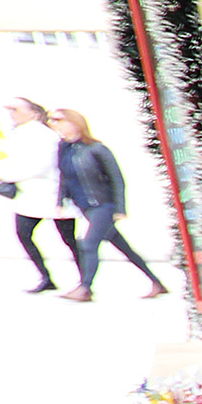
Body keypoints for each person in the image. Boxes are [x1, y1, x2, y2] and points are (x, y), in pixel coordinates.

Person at [50, 109, 170, 302]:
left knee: (88, 244)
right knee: (124, 248)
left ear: (75, 123)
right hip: (85, 206)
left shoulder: (96, 148)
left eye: (59, 121)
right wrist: (60, 200)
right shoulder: (64, 148)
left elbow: (117, 179)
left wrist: (121, 208)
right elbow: (64, 177)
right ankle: (157, 283)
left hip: (103, 205)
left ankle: (85, 289)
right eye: (53, 122)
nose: (56, 125)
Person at [0, 98, 73, 294]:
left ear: (33, 113)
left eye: (16, 109)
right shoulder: (18, 133)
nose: (12, 113)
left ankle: (84, 280)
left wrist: (4, 173)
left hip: (48, 194)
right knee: (24, 233)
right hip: (29, 196)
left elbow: (38, 166)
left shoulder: (43, 135)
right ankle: (45, 277)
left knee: (68, 238)